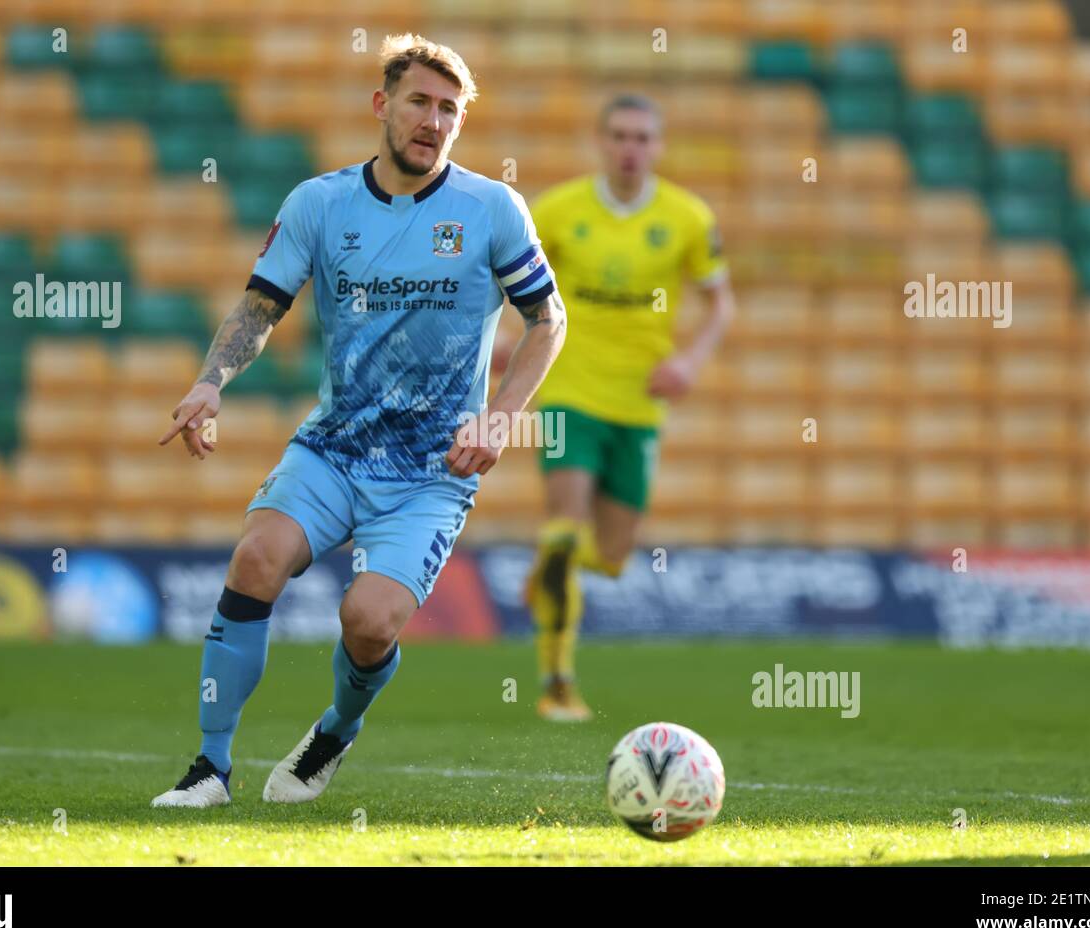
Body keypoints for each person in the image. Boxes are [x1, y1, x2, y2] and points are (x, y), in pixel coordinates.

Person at [150, 34, 566, 807]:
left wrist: (501, 419)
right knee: (255, 559)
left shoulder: (491, 209)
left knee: (368, 621)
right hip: (335, 448)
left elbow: (548, 319)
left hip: (430, 471)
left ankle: (336, 730)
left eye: (450, 109)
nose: (433, 121)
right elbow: (260, 307)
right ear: (383, 105)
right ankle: (210, 766)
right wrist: (211, 382)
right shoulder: (319, 203)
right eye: (419, 101)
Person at [518, 94, 733, 721]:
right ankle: (557, 682)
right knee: (564, 521)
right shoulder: (556, 211)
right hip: (566, 392)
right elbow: (506, 281)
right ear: (600, 141)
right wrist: (515, 340)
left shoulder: (688, 218)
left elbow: (722, 303)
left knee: (610, 557)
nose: (630, 147)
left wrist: (689, 362)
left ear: (658, 146)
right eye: (618, 135)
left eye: (642, 137)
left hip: (638, 405)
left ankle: (550, 572)